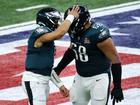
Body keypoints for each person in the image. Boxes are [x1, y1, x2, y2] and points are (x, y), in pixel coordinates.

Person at [53, 5, 124, 105]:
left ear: (82, 21)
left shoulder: (98, 34)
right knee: (76, 103)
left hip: (99, 78)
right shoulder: (75, 31)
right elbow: (72, 50)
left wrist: (117, 86)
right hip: (80, 77)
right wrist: (58, 69)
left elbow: (115, 60)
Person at [22, 6, 79, 105]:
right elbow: (59, 33)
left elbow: (46, 68)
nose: (59, 23)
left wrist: (60, 85)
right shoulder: (39, 31)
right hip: (35, 81)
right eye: (57, 20)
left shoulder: (48, 41)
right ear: (50, 20)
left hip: (40, 81)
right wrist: (70, 17)